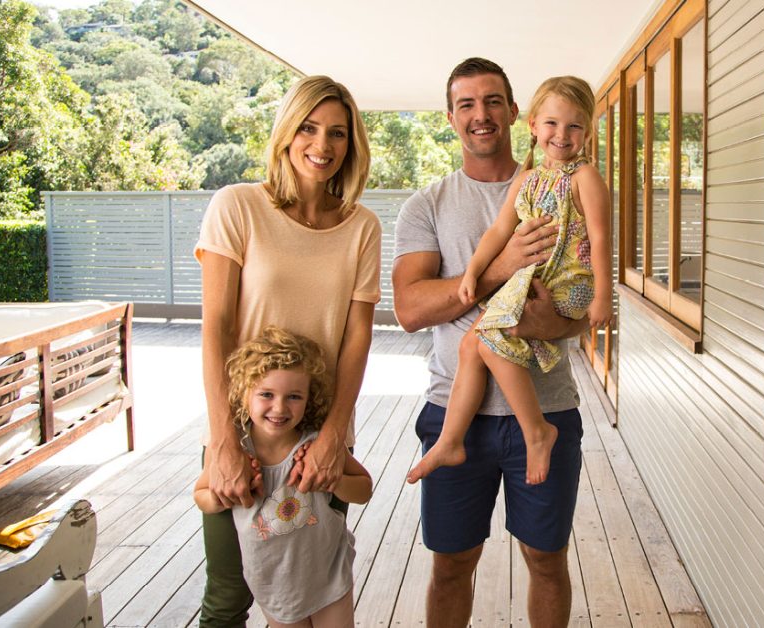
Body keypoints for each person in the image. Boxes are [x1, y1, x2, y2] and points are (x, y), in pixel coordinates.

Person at [392, 58, 588, 628]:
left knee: (546, 560)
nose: (481, 115)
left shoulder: (564, 188)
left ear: (515, 112)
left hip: (547, 404)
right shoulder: (426, 205)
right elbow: (409, 308)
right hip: (455, 411)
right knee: (452, 565)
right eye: (467, 104)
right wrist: (500, 267)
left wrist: (549, 323)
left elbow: (580, 304)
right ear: (450, 116)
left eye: (493, 101)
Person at [195, 75, 381, 626]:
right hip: (245, 433)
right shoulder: (236, 207)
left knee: (319, 592)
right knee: (229, 597)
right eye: (308, 128)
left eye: (338, 134)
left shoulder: (362, 227)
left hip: (319, 441)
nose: (322, 146)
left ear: (352, 145)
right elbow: (216, 328)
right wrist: (223, 441)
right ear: (285, 133)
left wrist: (332, 437)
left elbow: (357, 338)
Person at [406, 76, 611, 486]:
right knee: (471, 346)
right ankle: (450, 440)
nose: (562, 135)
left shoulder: (584, 177)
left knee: (485, 341)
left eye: (574, 127)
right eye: (552, 124)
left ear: (587, 134)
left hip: (565, 282)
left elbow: (602, 236)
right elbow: (498, 233)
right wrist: (472, 273)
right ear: (533, 125)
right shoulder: (528, 179)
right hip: (540, 279)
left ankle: (537, 432)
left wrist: (604, 296)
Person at [194, 327, 372, 628]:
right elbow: (202, 496)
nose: (279, 407)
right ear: (243, 391)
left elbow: (364, 489)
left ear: (308, 399)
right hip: (271, 581)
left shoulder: (316, 445)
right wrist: (225, 494)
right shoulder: (232, 451)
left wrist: (335, 482)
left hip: (327, 575)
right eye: (266, 394)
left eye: (294, 397)